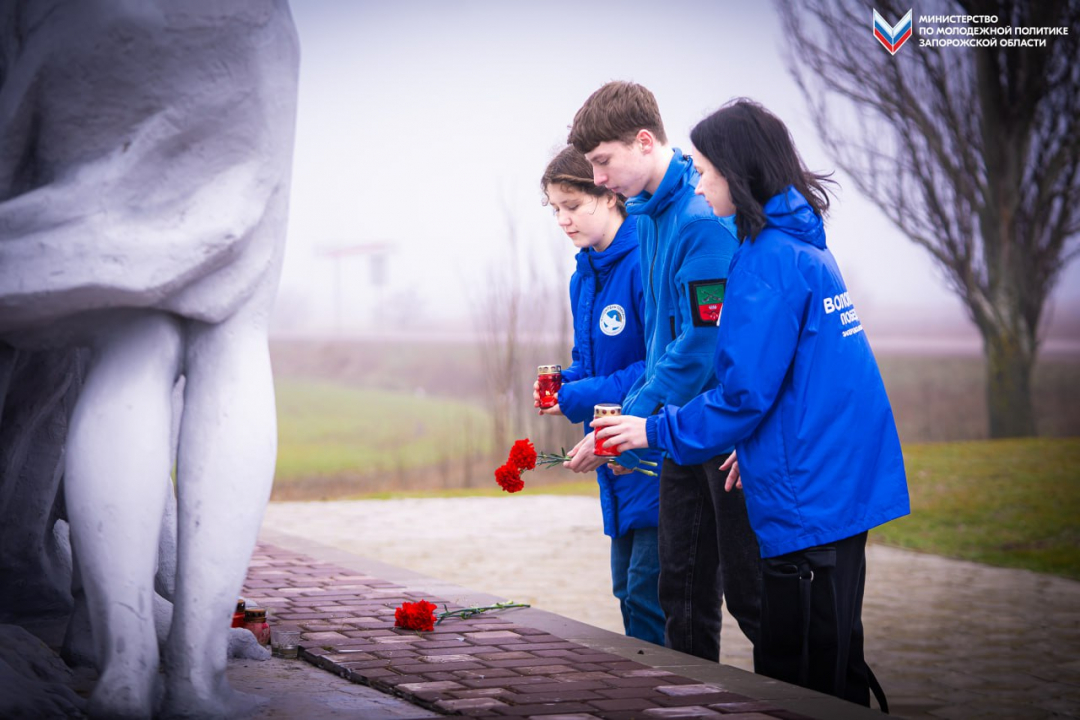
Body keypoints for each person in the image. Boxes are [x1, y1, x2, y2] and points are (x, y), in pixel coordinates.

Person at [592, 98, 911, 708]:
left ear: (739, 172)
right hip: (838, 484)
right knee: (836, 659)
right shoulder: (804, 248)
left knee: (798, 680)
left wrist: (654, 430)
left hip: (809, 497)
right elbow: (805, 381)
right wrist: (752, 442)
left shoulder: (766, 264)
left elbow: (742, 394)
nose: (701, 180)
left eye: (708, 170)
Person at [564, 81, 761, 662]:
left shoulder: (700, 220)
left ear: (644, 141)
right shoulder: (649, 217)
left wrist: (629, 418)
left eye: (603, 162)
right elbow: (661, 343)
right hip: (677, 431)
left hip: (717, 431)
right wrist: (632, 420)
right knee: (678, 593)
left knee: (750, 601)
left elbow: (701, 344)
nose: (597, 179)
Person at [533, 146, 665, 645]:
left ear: (608, 195)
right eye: (554, 209)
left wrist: (580, 394)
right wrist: (565, 384)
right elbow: (591, 363)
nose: (563, 220)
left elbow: (658, 368)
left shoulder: (644, 263)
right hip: (614, 458)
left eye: (572, 205)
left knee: (649, 598)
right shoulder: (583, 276)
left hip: (655, 455)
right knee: (626, 592)